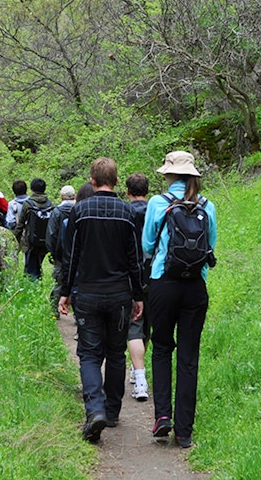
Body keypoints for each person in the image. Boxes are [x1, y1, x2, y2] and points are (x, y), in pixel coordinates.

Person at [58, 157, 143, 443]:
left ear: (92, 181)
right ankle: (113, 410)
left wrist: (65, 291)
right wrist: (138, 294)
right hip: (119, 293)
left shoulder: (79, 211)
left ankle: (95, 410)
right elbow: (134, 260)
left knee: (90, 353)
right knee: (117, 353)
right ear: (117, 181)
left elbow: (71, 258)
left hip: (89, 292)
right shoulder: (126, 212)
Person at [142, 151, 217, 448]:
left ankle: (162, 417)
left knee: (161, 348)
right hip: (195, 288)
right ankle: (184, 431)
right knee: (188, 357)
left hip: (163, 284)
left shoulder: (158, 203)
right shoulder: (207, 206)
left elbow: (148, 243)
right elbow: (209, 247)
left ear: (168, 175)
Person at [125, 172, 151, 402]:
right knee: (147, 324)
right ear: (148, 190)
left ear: (127, 191)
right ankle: (137, 369)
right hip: (155, 274)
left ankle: (139, 378)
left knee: (135, 324)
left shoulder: (124, 212)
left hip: (130, 275)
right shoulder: (157, 210)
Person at [14, 178, 53, 280]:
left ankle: (32, 286)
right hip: (45, 240)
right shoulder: (50, 204)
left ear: (31, 189)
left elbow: (21, 224)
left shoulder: (28, 204)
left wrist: (15, 239)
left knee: (30, 268)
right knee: (38, 264)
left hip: (30, 241)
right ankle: (38, 282)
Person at [46, 185, 76, 314]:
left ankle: (55, 310)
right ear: (74, 196)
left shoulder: (57, 211)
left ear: (61, 196)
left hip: (60, 253)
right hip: (76, 253)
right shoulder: (78, 209)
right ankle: (77, 315)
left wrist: (52, 253)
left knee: (59, 281)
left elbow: (51, 234)